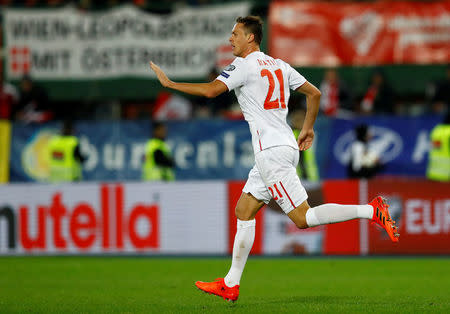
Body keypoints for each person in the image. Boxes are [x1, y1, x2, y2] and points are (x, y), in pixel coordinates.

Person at [149, 16, 399, 302]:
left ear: (251, 38)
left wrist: (169, 83)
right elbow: (314, 94)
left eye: (235, 34)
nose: (231, 39)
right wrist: (307, 129)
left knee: (303, 218)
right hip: (282, 147)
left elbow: (210, 91)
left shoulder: (243, 65)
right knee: (244, 210)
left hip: (271, 153)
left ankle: (372, 210)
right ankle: (231, 283)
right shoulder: (279, 65)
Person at [291, 109, 319, 182]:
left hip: (310, 177)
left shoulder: (308, 134)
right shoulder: (294, 136)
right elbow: (300, 160)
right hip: (301, 178)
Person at [426, 112, 450, 181]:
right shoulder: (449, 131)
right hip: (446, 174)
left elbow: (435, 146)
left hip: (433, 172)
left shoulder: (437, 130)